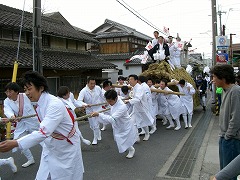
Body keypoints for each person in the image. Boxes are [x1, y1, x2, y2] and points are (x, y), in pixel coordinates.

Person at [0, 71, 84, 180]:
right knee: (42, 176)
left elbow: (43, 133)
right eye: (25, 90)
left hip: (65, 147)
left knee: (66, 175)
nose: (27, 93)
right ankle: (30, 158)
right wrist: (11, 117)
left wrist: (16, 143)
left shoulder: (54, 105)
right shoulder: (39, 102)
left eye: (30, 89)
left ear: (41, 88)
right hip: (50, 145)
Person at [210, 64, 240, 180]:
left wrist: (229, 135)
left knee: (229, 174)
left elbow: (236, 117)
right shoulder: (224, 90)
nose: (213, 80)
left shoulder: (236, 91)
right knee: (224, 171)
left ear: (223, 78)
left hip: (232, 139)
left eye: (214, 77)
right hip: (224, 137)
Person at [91, 90, 138, 159]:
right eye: (108, 101)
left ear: (115, 98)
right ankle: (128, 148)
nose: (109, 103)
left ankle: (131, 150)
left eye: (110, 101)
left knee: (123, 139)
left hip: (124, 125)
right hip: (118, 124)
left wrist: (99, 114)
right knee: (118, 139)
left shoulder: (122, 107)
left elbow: (111, 119)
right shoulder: (115, 99)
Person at [4, 82, 39, 168]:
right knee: (19, 141)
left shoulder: (25, 96)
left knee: (43, 139)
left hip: (32, 121)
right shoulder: (6, 101)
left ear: (16, 91)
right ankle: (30, 159)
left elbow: (37, 101)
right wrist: (11, 116)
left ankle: (51, 156)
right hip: (21, 123)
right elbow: (7, 110)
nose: (8, 94)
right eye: (6, 92)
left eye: (10, 91)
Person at [124, 74, 154, 141]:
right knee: (132, 122)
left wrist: (128, 101)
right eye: (129, 79)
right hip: (136, 108)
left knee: (144, 122)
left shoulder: (140, 88)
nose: (129, 81)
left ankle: (147, 134)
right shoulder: (134, 87)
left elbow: (138, 99)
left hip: (142, 108)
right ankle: (136, 137)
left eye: (131, 79)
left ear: (136, 80)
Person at [78, 77, 103, 145]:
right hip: (89, 109)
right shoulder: (83, 91)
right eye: (91, 83)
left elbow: (102, 96)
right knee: (92, 126)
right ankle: (98, 132)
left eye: (94, 83)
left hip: (98, 108)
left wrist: (105, 103)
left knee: (95, 124)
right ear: (87, 83)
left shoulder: (98, 88)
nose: (93, 85)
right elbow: (79, 100)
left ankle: (95, 139)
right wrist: (85, 104)